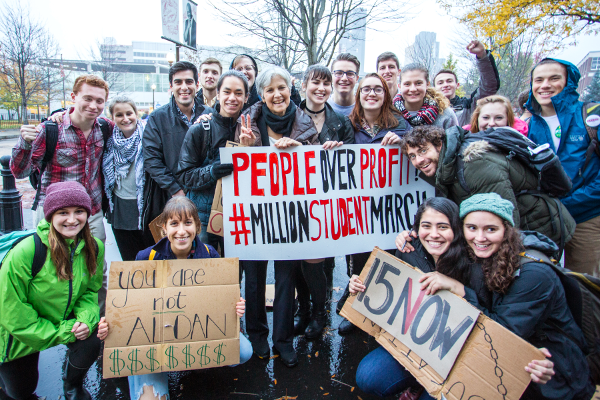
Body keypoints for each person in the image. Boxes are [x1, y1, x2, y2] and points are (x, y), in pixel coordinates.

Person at [352, 197, 555, 399]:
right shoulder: (409, 249)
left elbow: (496, 327)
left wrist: (460, 289)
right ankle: (416, 383)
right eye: (426, 226)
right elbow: (390, 297)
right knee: (368, 376)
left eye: (443, 227)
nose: (433, 234)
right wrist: (357, 287)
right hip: (418, 345)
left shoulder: (477, 263)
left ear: (457, 230)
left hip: (461, 354)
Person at [97, 196, 252, 400]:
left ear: (197, 226)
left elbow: (221, 301)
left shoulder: (209, 254)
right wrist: (111, 325)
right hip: (154, 345)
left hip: (193, 333)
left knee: (243, 352)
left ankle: (196, 361)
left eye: (188, 223)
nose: (181, 231)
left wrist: (235, 308)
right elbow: (130, 310)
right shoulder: (146, 257)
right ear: (164, 229)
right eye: (174, 224)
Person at [457, 193, 593, 400]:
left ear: (506, 230)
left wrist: (461, 292)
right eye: (472, 228)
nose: (480, 238)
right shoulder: (481, 255)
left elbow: (500, 333)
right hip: (512, 373)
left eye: (490, 229)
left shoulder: (534, 275)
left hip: (554, 380)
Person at [235, 66, 319, 368]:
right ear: (261, 94)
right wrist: (244, 150)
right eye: (269, 90)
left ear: (290, 88)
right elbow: (238, 166)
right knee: (255, 280)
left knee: (285, 281)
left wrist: (301, 149)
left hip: (290, 216)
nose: (276, 94)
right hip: (256, 215)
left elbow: (317, 164)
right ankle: (258, 336)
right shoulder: (248, 121)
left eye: (281, 87)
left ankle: (283, 341)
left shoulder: (304, 122)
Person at [11, 74, 113, 314]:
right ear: (73, 97)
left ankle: (95, 329)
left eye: (99, 101)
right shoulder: (51, 129)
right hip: (53, 214)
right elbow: (19, 170)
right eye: (87, 98)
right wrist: (24, 143)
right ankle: (54, 326)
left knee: (96, 272)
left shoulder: (105, 128)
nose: (93, 105)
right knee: (52, 271)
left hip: (92, 213)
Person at [0, 182, 104, 400]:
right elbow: (14, 315)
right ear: (50, 216)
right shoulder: (26, 252)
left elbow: (89, 292)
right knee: (20, 392)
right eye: (63, 213)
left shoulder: (94, 247)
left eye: (79, 211)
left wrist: (85, 320)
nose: (72, 219)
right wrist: (66, 331)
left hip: (59, 319)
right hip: (17, 333)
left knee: (95, 333)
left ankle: (72, 384)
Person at [400, 125, 575, 249]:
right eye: (412, 156)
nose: (419, 160)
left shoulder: (475, 163)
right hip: (523, 231)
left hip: (543, 229)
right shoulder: (447, 167)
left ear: (439, 145)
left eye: (423, 151)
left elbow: (506, 220)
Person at [336, 72, 409, 334]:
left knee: (387, 259)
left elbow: (417, 152)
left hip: (390, 207)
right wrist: (334, 148)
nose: (371, 93)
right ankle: (356, 311)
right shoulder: (347, 124)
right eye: (366, 89)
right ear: (359, 94)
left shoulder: (401, 124)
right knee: (358, 260)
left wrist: (402, 143)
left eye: (377, 89)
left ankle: (381, 313)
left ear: (385, 95)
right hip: (356, 209)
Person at [293, 65, 355, 339]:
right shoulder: (289, 116)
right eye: (315, 82)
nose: (320, 88)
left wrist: (341, 153)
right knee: (296, 261)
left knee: (316, 262)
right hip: (292, 200)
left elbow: (354, 164)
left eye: (325, 84)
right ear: (304, 85)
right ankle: (302, 309)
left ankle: (319, 313)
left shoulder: (340, 123)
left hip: (326, 204)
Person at [525, 58, 600, 275]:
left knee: (584, 286)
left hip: (586, 217)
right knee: (545, 279)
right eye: (538, 80)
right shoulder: (531, 125)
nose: (544, 85)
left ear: (568, 82)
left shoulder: (591, 116)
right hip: (547, 219)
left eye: (553, 78)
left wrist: (568, 204)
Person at [176, 70, 249, 252]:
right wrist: (211, 172)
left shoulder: (250, 129)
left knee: (233, 273)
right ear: (217, 94)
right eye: (226, 92)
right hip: (203, 218)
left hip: (237, 217)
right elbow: (184, 175)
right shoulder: (200, 129)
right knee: (204, 272)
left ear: (246, 98)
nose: (232, 98)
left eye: (238, 93)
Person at [141, 61, 211, 236]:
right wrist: (176, 191)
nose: (184, 87)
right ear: (171, 86)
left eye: (188, 82)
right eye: (178, 82)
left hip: (205, 198)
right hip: (171, 198)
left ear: (197, 84)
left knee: (204, 254)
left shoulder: (211, 113)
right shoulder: (158, 117)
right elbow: (151, 160)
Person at [103, 96, 155, 261]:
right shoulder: (108, 139)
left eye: (129, 113)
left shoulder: (150, 135)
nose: (125, 119)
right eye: (119, 115)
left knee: (152, 260)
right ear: (112, 118)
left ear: (136, 114)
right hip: (120, 209)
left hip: (147, 208)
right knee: (129, 262)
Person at [433, 40, 500, 126]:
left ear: (457, 85)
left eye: (449, 81)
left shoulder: (469, 106)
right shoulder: (427, 109)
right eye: (440, 83)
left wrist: (482, 56)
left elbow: (489, 86)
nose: (445, 85)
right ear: (434, 88)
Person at [230, 54, 302, 113]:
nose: (244, 72)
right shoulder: (227, 100)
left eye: (248, 68)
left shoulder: (265, 98)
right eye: (239, 69)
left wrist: (292, 90)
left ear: (255, 72)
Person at [395, 64, 458, 129]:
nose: (413, 89)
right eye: (407, 84)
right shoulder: (390, 113)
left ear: (427, 84)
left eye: (418, 83)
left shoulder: (445, 114)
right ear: (399, 86)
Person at [465, 95, 529, 136]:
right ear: (477, 119)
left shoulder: (520, 147)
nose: (492, 123)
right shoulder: (462, 144)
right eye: (486, 117)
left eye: (498, 118)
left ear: (508, 120)